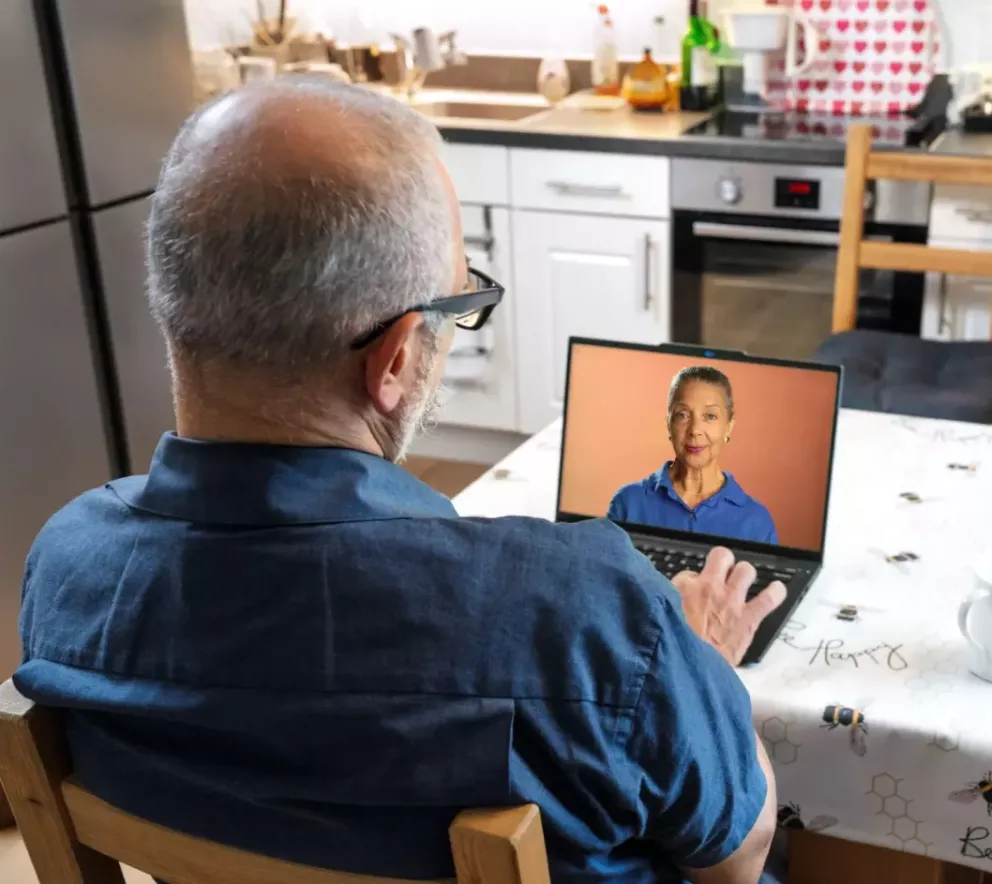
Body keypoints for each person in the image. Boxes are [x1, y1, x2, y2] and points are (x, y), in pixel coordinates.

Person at [14, 79, 790, 884]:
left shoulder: (68, 568)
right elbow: (736, 858)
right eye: (460, 304)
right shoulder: (589, 615)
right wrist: (706, 670)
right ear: (394, 361)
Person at [608, 366, 779, 545]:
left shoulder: (757, 522)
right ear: (669, 424)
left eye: (710, 416)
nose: (695, 430)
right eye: (683, 415)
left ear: (728, 426)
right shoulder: (628, 503)